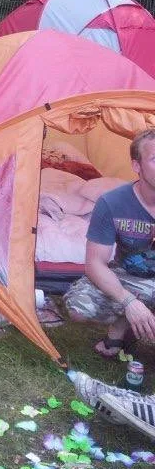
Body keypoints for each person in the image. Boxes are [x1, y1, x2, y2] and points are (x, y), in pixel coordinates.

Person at [64, 128, 155, 357]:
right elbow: (94, 264)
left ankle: (128, 328)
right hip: (128, 275)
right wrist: (128, 302)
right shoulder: (112, 203)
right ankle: (125, 322)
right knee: (79, 306)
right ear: (137, 166)